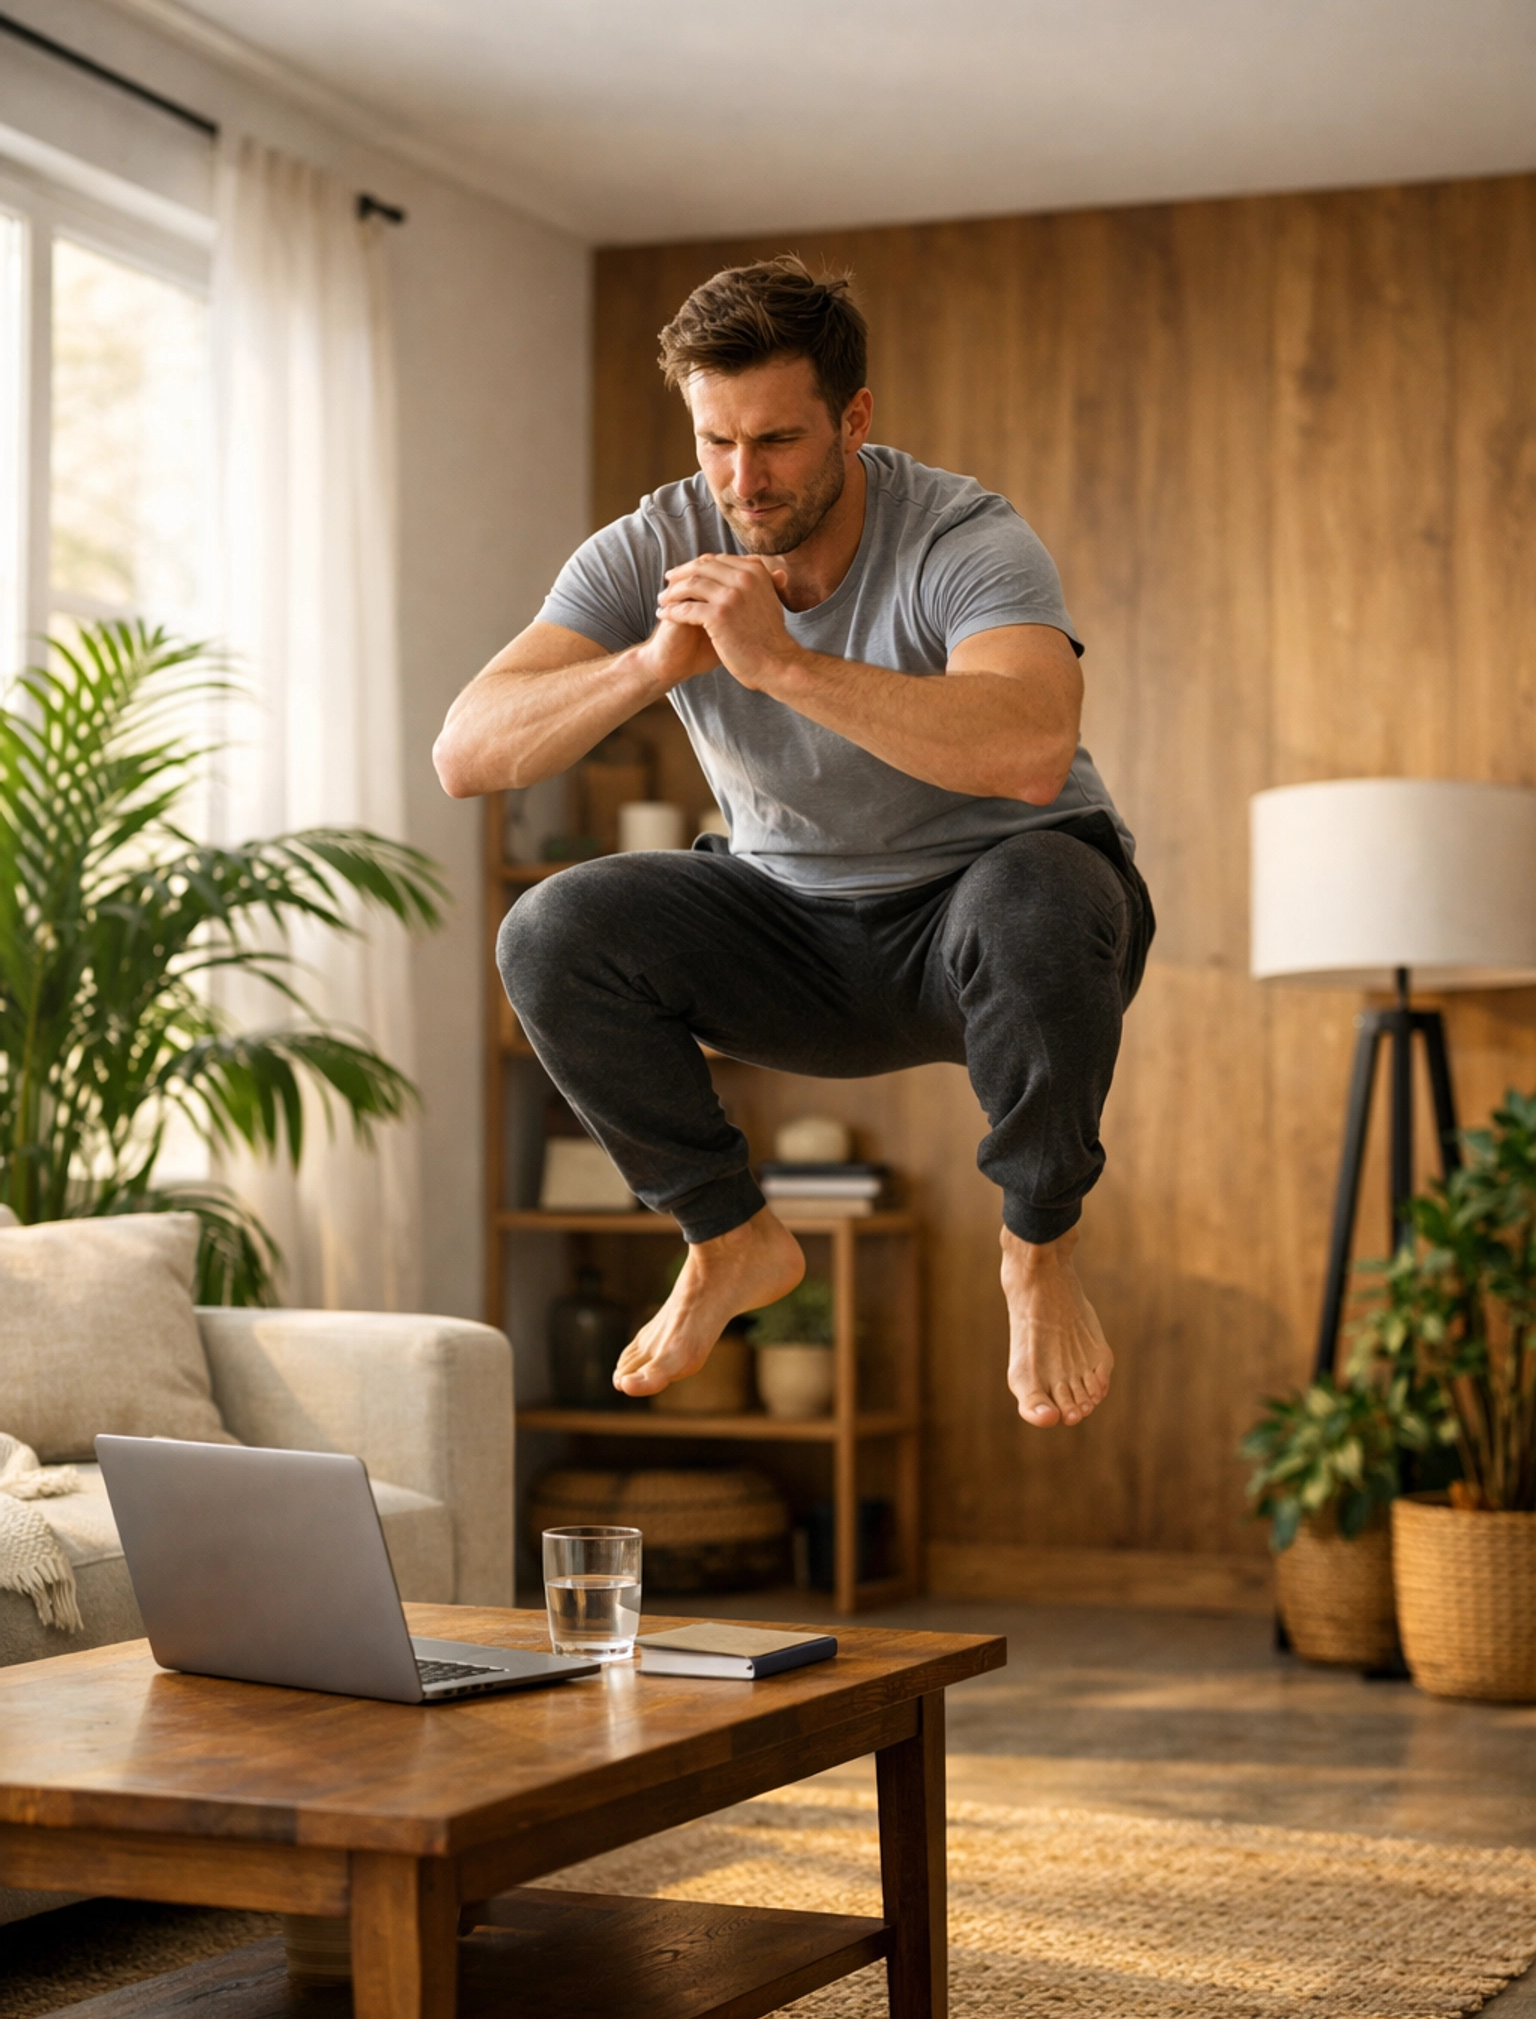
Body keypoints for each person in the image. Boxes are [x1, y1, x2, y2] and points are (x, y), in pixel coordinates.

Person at [435, 256, 1153, 1429]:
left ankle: (1038, 1245)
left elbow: (1030, 745)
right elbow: (467, 753)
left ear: (853, 419)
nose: (741, 479)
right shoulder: (654, 543)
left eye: (775, 441)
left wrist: (781, 665)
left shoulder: (962, 534)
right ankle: (730, 1240)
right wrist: (647, 666)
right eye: (715, 441)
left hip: (986, 931)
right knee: (552, 929)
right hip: (793, 932)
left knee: (1043, 887)